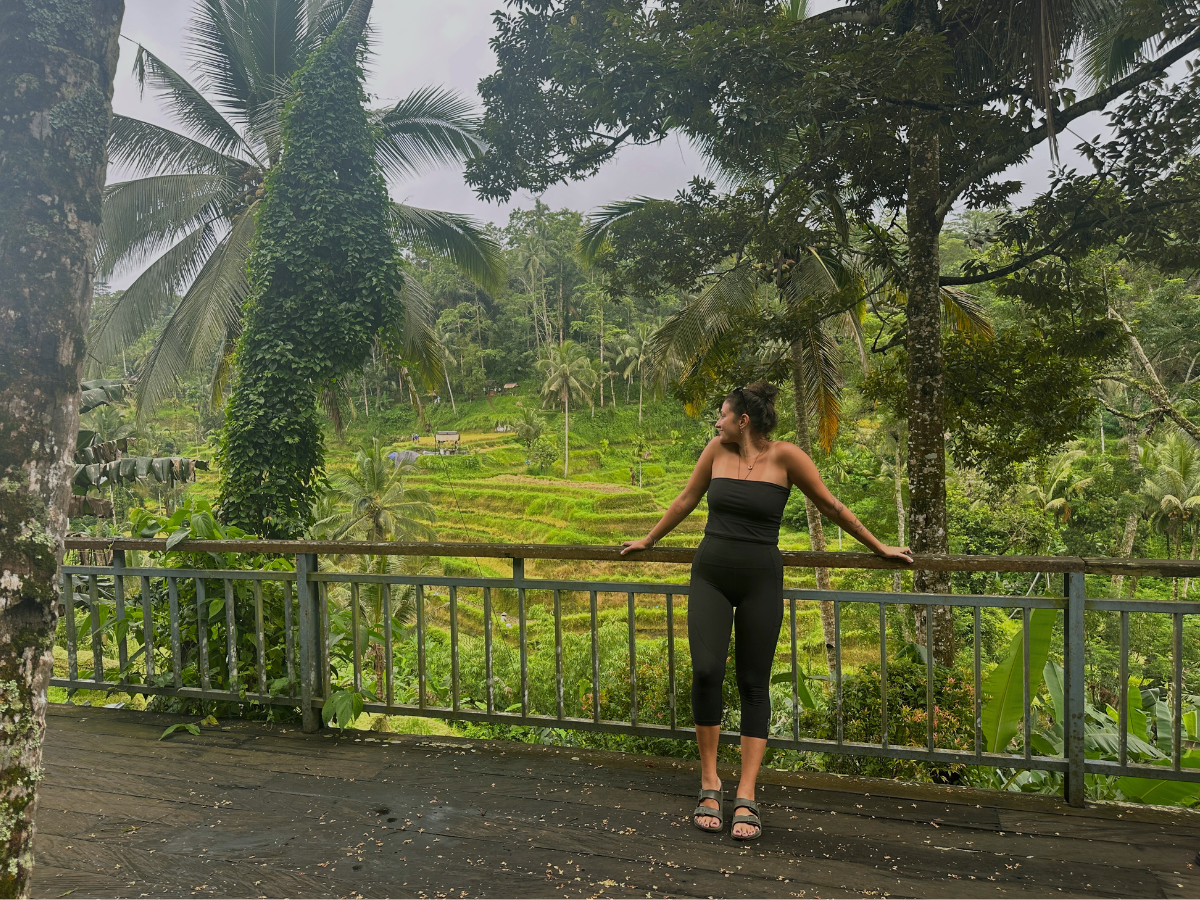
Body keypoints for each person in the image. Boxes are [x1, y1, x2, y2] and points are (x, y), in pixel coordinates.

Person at [620, 382, 911, 840]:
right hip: (710, 576)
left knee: (754, 683)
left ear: (744, 421)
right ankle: (710, 781)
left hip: (761, 580)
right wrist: (648, 540)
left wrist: (880, 546)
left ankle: (748, 793)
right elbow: (685, 499)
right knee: (706, 671)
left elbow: (831, 506)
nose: (716, 422)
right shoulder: (715, 450)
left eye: (722, 414)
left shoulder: (786, 457)